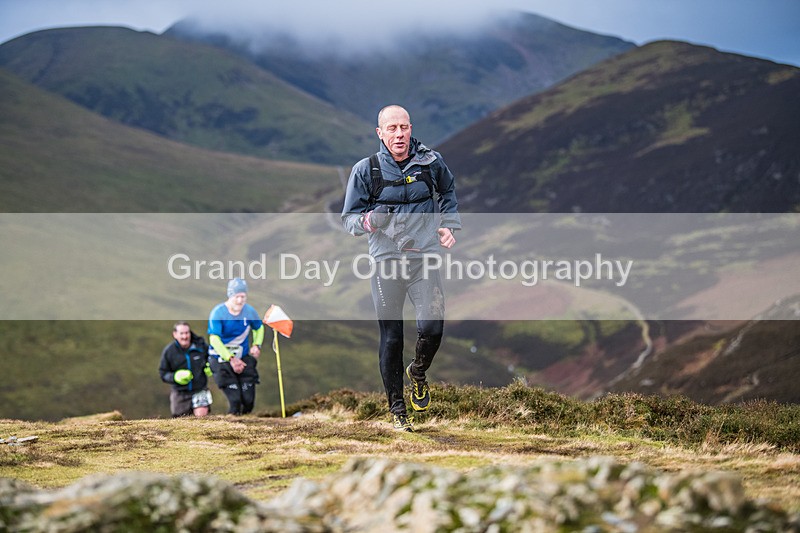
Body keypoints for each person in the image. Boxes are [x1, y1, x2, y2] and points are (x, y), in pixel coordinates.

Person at [341, 104, 461, 432]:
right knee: (392, 338)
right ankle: (398, 411)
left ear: (411, 128)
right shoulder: (366, 170)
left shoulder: (430, 162)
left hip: (424, 257)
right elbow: (348, 219)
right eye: (392, 128)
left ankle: (418, 372)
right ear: (380, 133)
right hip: (386, 263)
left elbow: (447, 190)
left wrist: (449, 224)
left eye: (404, 127)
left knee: (432, 328)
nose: (399, 134)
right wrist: (368, 221)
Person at [207, 277, 265, 415]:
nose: (240, 301)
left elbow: (259, 327)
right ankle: (232, 428)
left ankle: (247, 427)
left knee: (248, 401)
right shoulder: (218, 312)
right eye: (237, 297)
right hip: (221, 359)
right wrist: (231, 358)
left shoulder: (249, 311)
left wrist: (257, 345)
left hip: (243, 357)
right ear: (230, 295)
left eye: (243, 297)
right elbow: (214, 339)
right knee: (235, 401)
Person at [158, 321, 213, 417]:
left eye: (187, 333)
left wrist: (210, 367)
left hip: (199, 390)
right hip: (180, 392)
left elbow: (212, 359)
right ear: (175, 335)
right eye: (181, 333)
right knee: (180, 421)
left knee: (202, 417)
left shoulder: (201, 347)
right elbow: (163, 373)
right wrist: (175, 377)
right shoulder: (169, 351)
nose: (185, 336)